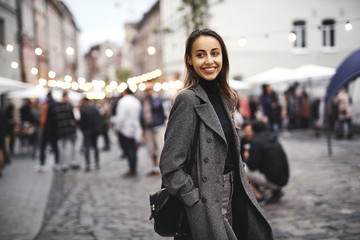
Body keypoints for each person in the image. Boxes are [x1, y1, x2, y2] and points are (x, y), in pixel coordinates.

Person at [159, 29, 273, 240]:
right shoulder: (188, 100)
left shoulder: (227, 98)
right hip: (206, 199)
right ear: (189, 60)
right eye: (200, 54)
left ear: (223, 57)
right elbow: (169, 164)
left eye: (215, 53)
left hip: (235, 191)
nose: (209, 60)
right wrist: (193, 199)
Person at [243, 121, 289, 204]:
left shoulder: (256, 141)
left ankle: (259, 197)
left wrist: (247, 157)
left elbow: (252, 166)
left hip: (272, 179)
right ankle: (276, 191)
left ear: (253, 130)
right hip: (283, 179)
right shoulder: (273, 138)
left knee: (242, 169)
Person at [140, 83, 167, 177]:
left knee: (161, 147)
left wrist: (153, 96)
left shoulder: (157, 99)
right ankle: (155, 168)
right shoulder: (144, 101)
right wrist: (142, 128)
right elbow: (142, 114)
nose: (147, 92)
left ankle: (165, 169)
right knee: (151, 149)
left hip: (158, 126)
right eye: (146, 90)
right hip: (148, 128)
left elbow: (157, 106)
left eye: (149, 89)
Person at [114, 88, 141, 177]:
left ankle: (132, 169)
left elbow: (120, 117)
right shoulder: (136, 102)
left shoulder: (123, 102)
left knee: (129, 150)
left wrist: (117, 128)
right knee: (133, 149)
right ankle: (134, 168)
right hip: (134, 128)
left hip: (124, 129)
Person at [36, 91, 60, 172]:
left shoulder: (46, 105)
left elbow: (43, 118)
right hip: (55, 130)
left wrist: (41, 128)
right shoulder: (56, 104)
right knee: (55, 146)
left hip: (47, 129)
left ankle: (42, 164)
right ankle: (56, 163)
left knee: (43, 147)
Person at [55, 91, 77, 171]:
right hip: (70, 130)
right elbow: (73, 118)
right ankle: (73, 161)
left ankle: (64, 164)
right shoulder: (69, 105)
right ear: (66, 96)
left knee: (63, 147)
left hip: (61, 130)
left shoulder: (57, 106)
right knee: (73, 145)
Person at [79, 97, 102, 172]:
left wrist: (83, 130)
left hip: (87, 131)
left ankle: (88, 164)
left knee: (87, 148)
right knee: (95, 147)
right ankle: (97, 162)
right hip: (94, 131)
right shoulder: (94, 108)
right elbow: (99, 119)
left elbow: (82, 122)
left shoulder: (83, 110)